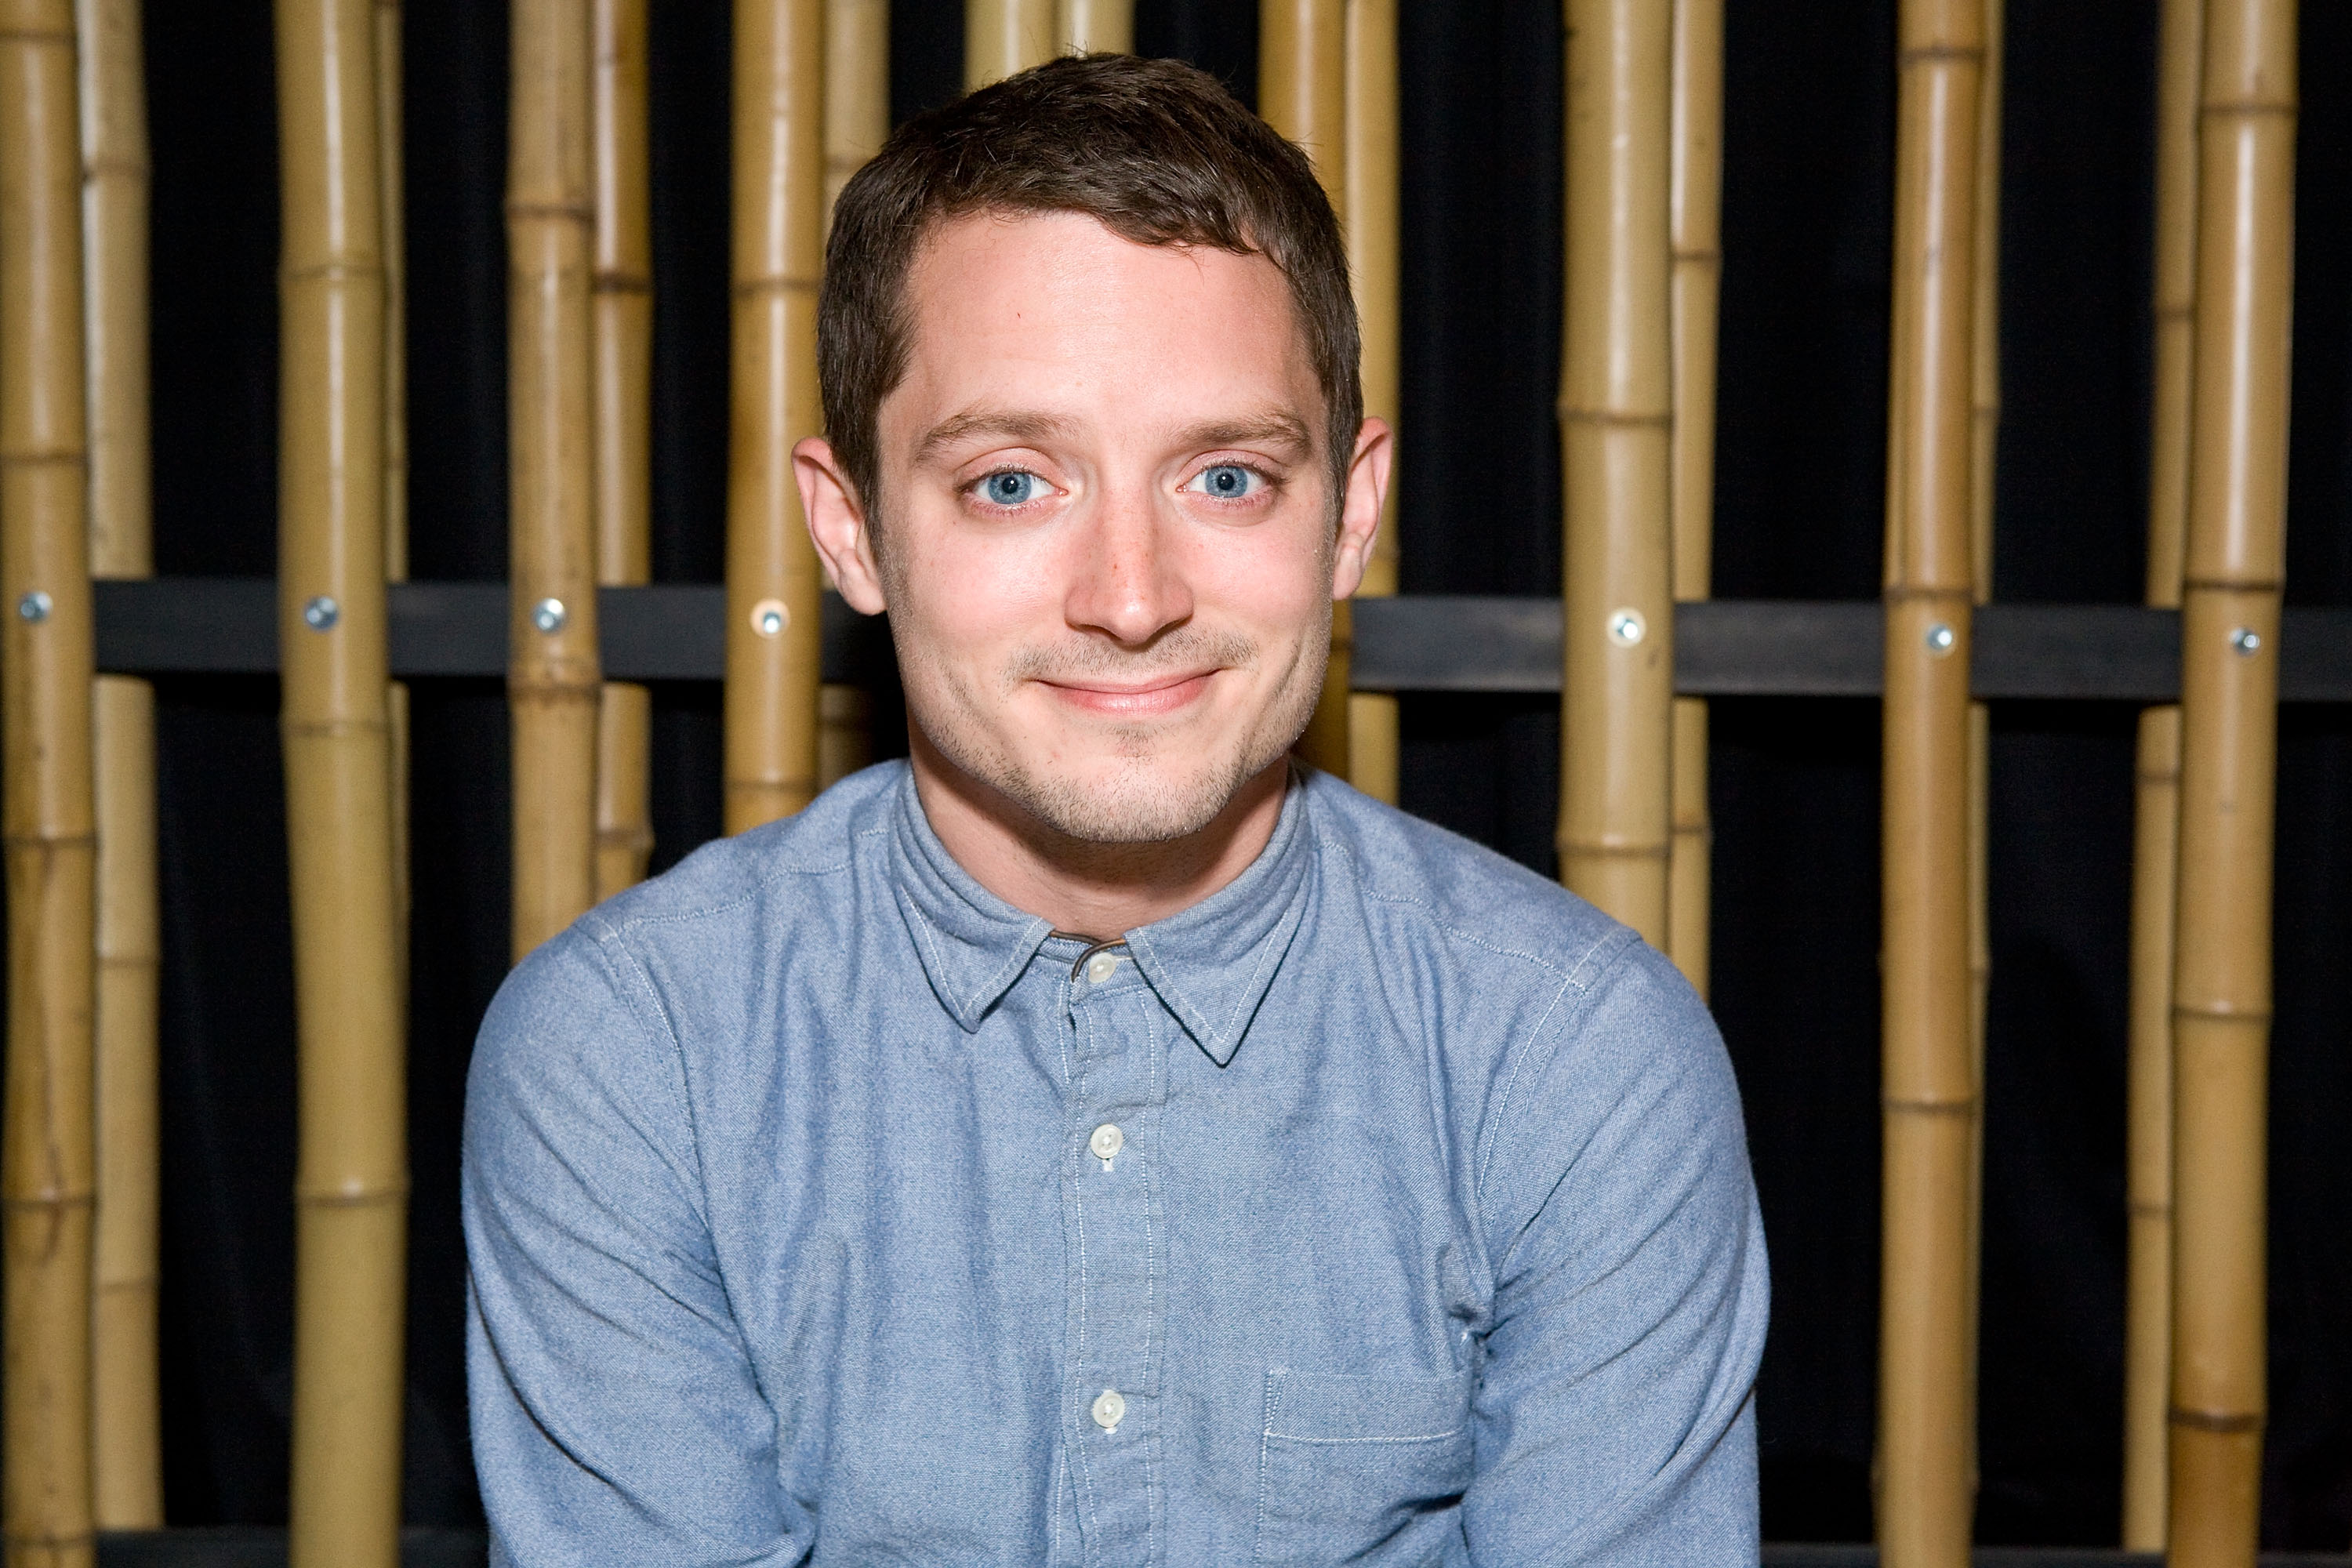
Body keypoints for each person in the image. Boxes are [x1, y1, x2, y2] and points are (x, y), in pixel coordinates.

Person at [463, 53, 1766, 1566]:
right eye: (1014, 484)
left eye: (1224, 477)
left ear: (1348, 512)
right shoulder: (637, 1060)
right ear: (855, 530)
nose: (1132, 599)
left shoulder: (1575, 1062)